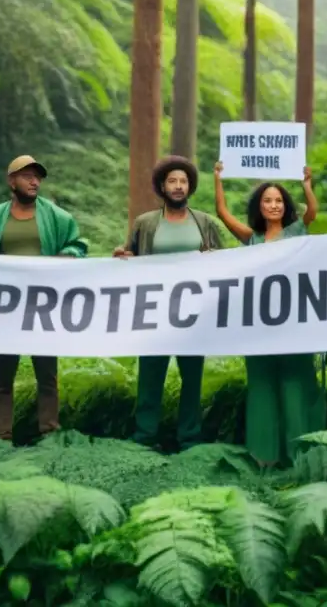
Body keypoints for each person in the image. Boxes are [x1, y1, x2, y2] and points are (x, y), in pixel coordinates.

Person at [0, 155, 87, 441]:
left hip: (43, 306)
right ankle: (1, 437)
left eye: (37, 176)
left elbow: (77, 245)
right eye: (26, 175)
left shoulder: (57, 216)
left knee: (47, 375)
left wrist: (68, 254)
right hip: (4, 307)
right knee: (2, 378)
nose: (34, 181)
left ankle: (49, 433)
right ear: (11, 181)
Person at [213, 161, 324, 466]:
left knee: (294, 386)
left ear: (284, 206)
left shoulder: (297, 231)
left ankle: (298, 454)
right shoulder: (252, 238)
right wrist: (218, 179)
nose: (273, 205)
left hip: (293, 325)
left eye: (277, 201)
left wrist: (306, 185)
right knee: (261, 387)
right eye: (267, 201)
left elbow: (312, 212)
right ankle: (263, 456)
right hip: (259, 326)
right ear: (259, 207)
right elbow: (223, 214)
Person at [114, 155, 223, 451]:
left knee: (192, 377)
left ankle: (189, 437)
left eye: (183, 181)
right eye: (172, 181)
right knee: (150, 375)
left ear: (190, 187)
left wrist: (214, 259)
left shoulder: (205, 223)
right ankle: (145, 435)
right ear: (162, 186)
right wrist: (123, 257)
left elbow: (226, 263)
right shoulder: (146, 223)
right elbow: (133, 256)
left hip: (194, 313)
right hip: (154, 312)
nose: (178, 186)